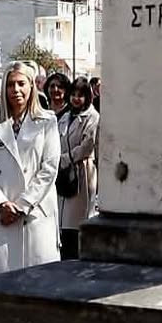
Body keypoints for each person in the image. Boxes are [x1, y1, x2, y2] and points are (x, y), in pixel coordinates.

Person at [0, 63, 61, 278]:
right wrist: (0, 203)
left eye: (21, 83)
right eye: (10, 84)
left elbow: (49, 168)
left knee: (37, 287)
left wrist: (22, 206)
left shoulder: (47, 122)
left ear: (31, 86)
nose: (16, 90)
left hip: (33, 215)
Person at [58, 76, 100, 259]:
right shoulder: (65, 117)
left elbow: (87, 145)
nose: (76, 98)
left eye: (80, 95)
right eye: (73, 94)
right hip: (62, 171)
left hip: (82, 171)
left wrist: (66, 158)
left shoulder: (92, 117)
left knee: (76, 221)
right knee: (62, 221)